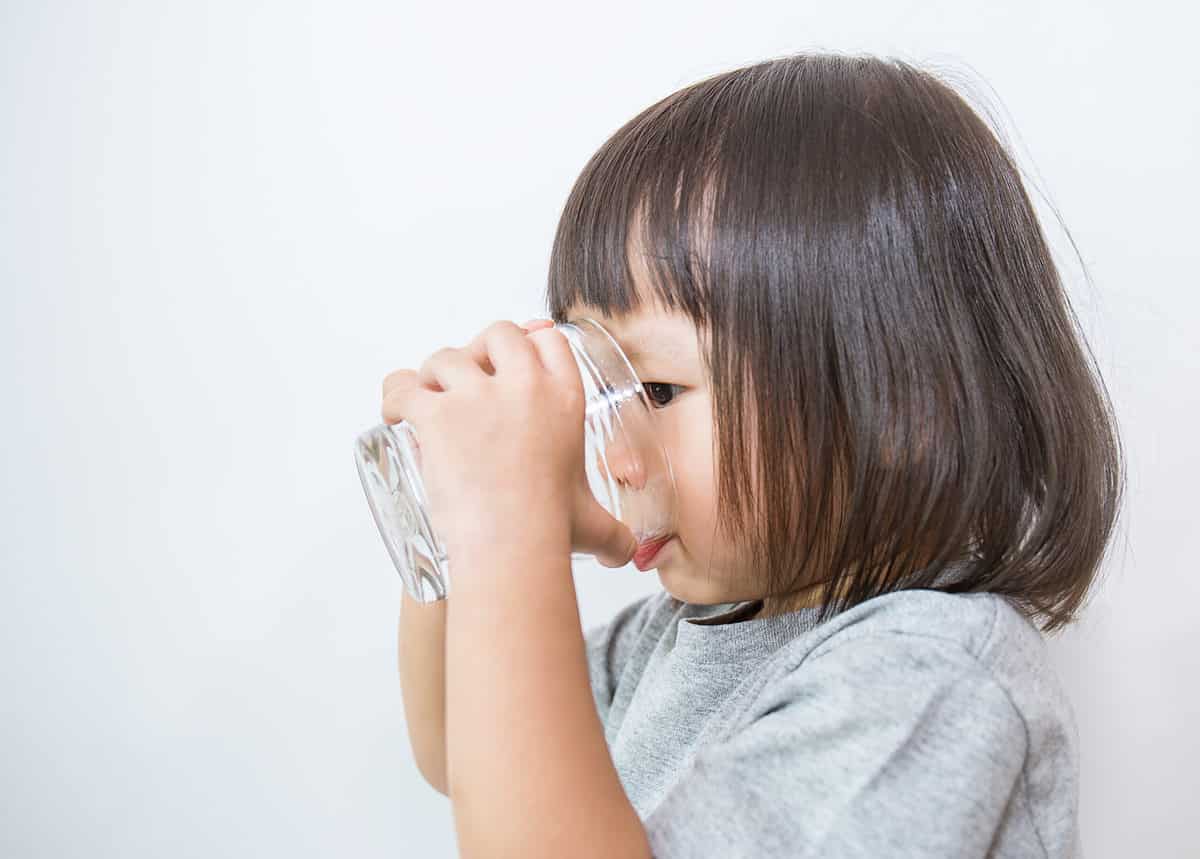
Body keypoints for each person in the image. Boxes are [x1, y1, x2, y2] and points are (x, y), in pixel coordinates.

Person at [394, 51, 1123, 858]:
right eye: (603, 386)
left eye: (660, 391)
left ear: (904, 403)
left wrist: (509, 522)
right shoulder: (684, 633)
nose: (615, 450)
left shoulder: (931, 679)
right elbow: (464, 753)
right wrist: (454, 522)